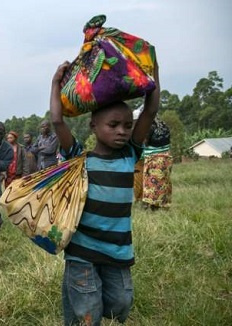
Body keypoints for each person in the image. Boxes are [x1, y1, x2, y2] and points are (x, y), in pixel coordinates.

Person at [50, 59, 160, 325]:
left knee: (122, 302)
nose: (122, 131)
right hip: (82, 251)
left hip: (118, 251)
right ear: (93, 127)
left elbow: (149, 112)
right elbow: (57, 120)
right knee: (88, 312)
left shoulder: (130, 154)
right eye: (113, 125)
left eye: (126, 125)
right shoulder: (79, 157)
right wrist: (55, 83)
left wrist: (153, 75)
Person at [141, 117, 172, 210]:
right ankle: (163, 204)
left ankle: (153, 206)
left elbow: (145, 143)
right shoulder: (163, 125)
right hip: (166, 158)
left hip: (154, 159)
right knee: (164, 183)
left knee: (152, 184)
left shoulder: (149, 126)